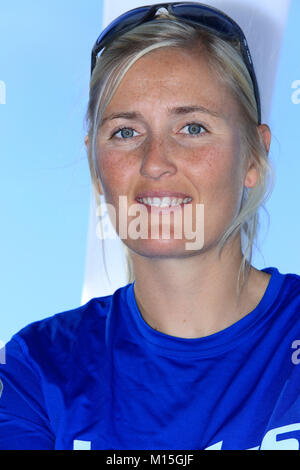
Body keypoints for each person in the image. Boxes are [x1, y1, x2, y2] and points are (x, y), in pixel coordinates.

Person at [1, 2, 300, 451]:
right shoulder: (36, 370)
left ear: (254, 157)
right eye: (125, 132)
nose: (155, 162)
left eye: (193, 127)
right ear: (96, 165)